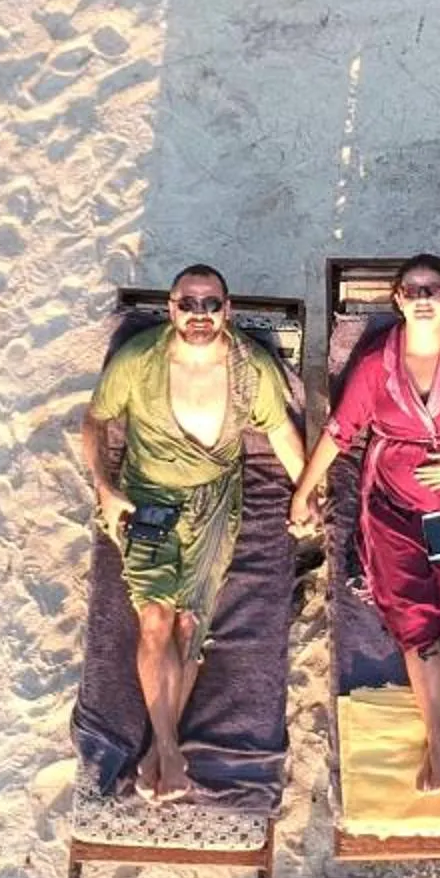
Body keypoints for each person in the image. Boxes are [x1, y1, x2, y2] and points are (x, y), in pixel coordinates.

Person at [83, 265, 305, 801]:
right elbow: (94, 421)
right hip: (148, 499)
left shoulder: (251, 368)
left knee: (188, 626)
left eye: (211, 305)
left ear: (226, 310)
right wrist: (105, 488)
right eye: (189, 304)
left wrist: (305, 495)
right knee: (155, 620)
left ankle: (157, 755)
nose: (199, 315)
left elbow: (279, 430)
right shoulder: (140, 360)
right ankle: (170, 752)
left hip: (212, 501)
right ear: (171, 307)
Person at [289, 257, 440, 792]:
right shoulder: (376, 364)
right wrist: (304, 490)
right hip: (392, 500)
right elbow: (341, 432)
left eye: (432, 288)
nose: (422, 296)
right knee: (417, 621)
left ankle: (439, 740)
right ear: (397, 299)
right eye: (412, 289)